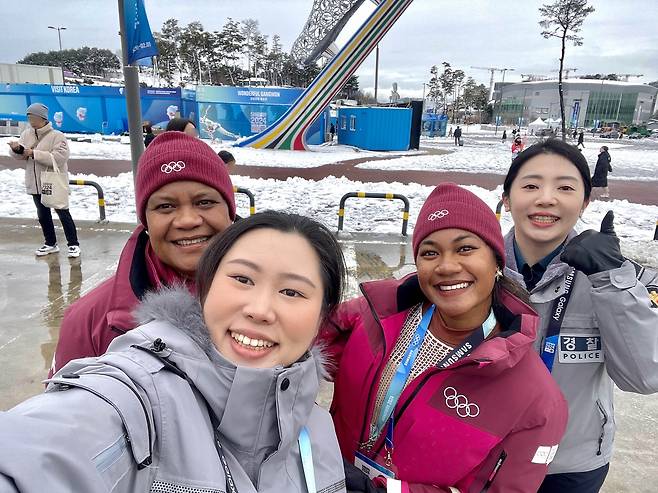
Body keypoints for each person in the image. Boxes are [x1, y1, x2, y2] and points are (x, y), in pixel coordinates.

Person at [0, 211, 348, 493]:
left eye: (291, 292)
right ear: (206, 287)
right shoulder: (141, 399)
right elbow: (38, 455)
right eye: (242, 279)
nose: (260, 309)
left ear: (322, 315)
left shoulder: (315, 426)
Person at [322, 183, 568, 493]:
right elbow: (286, 344)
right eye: (430, 252)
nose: (447, 266)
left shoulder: (536, 399)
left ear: (496, 262)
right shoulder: (370, 318)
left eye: (465, 248)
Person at [501, 138, 658, 493]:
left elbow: (643, 377)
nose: (546, 198)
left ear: (584, 202)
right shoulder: (480, 269)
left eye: (565, 187)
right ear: (507, 198)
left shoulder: (615, 277)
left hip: (570, 464)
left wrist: (610, 279)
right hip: (489, 454)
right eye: (530, 185)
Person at [49, 132, 236, 376]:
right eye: (165, 206)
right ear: (145, 221)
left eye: (205, 202)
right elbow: (67, 409)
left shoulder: (287, 295)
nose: (188, 220)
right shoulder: (89, 319)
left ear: (230, 210)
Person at [7, 103, 80, 258]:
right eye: (29, 117)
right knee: (43, 215)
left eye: (33, 117)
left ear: (43, 118)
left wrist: (34, 153)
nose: (31, 120)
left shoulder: (57, 136)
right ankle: (50, 243)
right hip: (35, 182)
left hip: (52, 181)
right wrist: (16, 150)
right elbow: (21, 156)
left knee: (62, 212)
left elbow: (60, 158)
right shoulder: (26, 134)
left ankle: (73, 244)